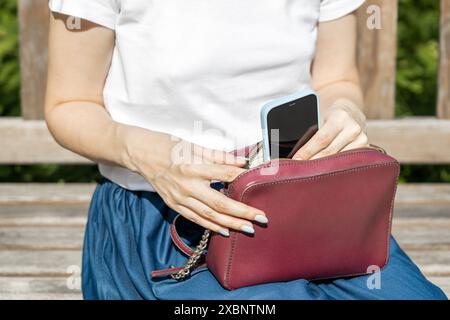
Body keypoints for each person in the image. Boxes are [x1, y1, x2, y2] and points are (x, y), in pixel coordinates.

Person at [45, 0, 447, 300]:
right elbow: (69, 105)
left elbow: (337, 79)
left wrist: (345, 111)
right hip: (164, 219)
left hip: (311, 211)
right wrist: (146, 154)